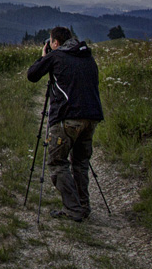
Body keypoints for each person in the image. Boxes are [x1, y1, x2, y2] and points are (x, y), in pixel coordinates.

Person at [27, 25, 104, 221]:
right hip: (91, 117)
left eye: (50, 41)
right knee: (80, 163)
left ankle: (73, 209)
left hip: (67, 118)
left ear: (55, 43)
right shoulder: (87, 56)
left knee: (57, 162)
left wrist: (44, 57)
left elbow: (32, 75)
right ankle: (83, 206)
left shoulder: (56, 56)